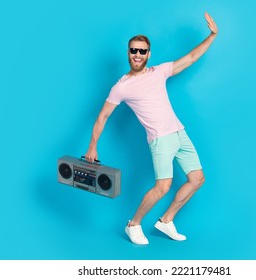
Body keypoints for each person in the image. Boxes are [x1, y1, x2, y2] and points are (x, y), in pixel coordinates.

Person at [85, 12, 218, 245]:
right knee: (163, 186)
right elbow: (102, 117)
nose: (137, 54)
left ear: (148, 54)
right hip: (160, 139)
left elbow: (191, 58)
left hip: (179, 132)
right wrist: (92, 146)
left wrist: (213, 35)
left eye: (142, 51)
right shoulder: (121, 87)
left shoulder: (160, 72)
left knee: (197, 179)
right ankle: (133, 225)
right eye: (133, 50)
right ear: (128, 53)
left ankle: (166, 221)